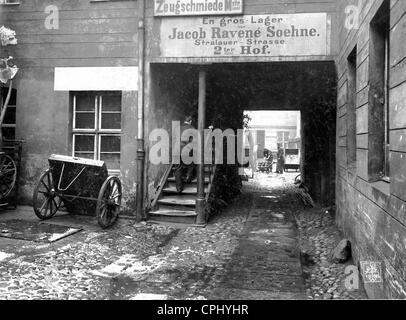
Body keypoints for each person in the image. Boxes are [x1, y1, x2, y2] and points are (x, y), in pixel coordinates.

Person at [174, 115, 196, 193]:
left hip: (176, 150)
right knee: (191, 162)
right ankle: (188, 177)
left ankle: (179, 189)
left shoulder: (178, 128)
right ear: (190, 121)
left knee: (178, 168)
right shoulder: (191, 128)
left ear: (184, 121)